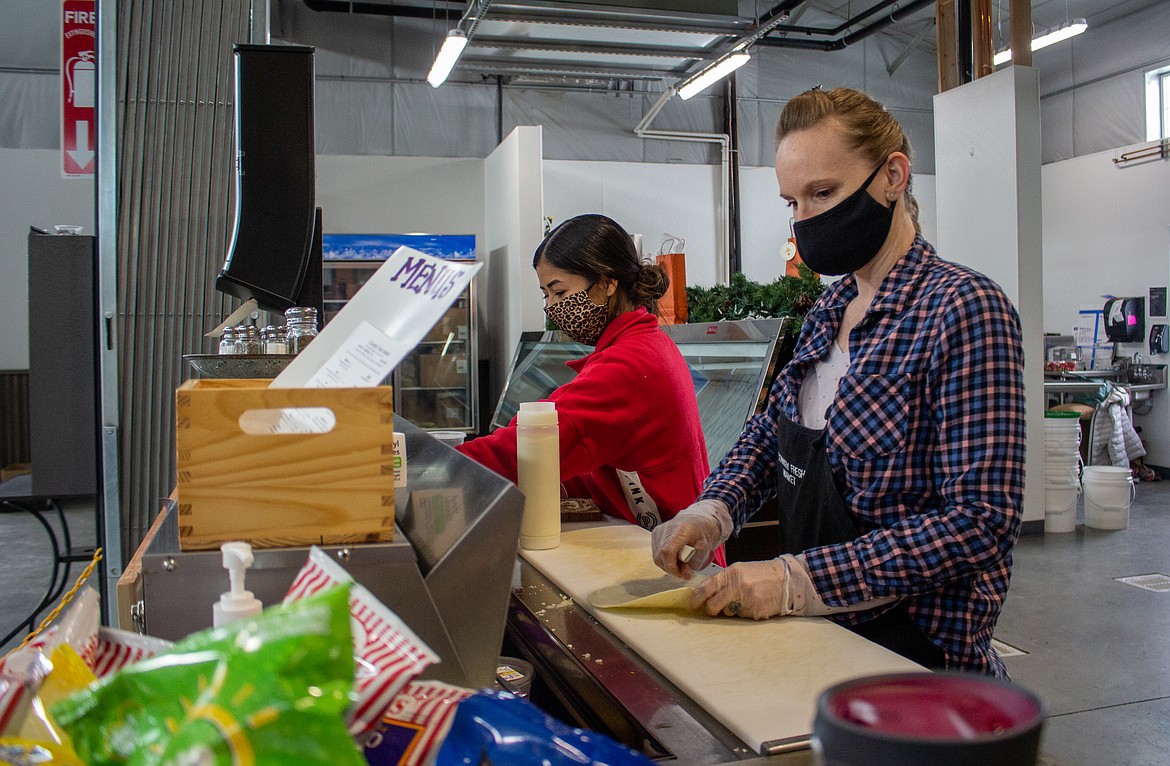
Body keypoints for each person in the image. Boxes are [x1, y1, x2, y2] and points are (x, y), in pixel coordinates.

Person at [651, 87, 1025, 677]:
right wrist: (712, 509)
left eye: (823, 193)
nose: (806, 220)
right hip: (817, 642)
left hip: (916, 664)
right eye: (792, 203)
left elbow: (980, 520)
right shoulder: (830, 310)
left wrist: (798, 580)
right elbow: (770, 439)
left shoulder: (963, 309)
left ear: (892, 177)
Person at [458, 214, 713, 541]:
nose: (551, 308)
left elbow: (539, 445)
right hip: (658, 540)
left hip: (675, 554)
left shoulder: (630, 362)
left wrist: (443, 467)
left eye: (560, 292)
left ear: (608, 283)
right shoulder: (635, 344)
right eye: (545, 295)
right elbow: (561, 428)